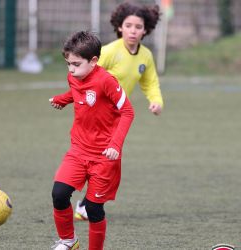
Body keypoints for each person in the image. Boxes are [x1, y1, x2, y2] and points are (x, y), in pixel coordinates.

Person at [75, 1, 164, 221]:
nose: (133, 30)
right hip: (97, 114)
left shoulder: (146, 56)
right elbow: (86, 74)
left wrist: (156, 100)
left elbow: (150, 82)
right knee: (102, 161)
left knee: (109, 163)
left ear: (146, 30)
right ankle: (84, 203)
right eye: (129, 25)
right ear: (120, 27)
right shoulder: (108, 52)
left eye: (138, 26)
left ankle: (86, 204)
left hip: (118, 117)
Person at [49, 31, 134, 250]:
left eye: (76, 64)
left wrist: (115, 145)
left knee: (94, 210)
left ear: (94, 61)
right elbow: (76, 93)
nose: (71, 70)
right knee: (59, 194)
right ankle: (68, 241)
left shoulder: (106, 81)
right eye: (68, 64)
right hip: (78, 150)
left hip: (104, 156)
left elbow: (127, 111)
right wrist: (62, 100)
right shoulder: (74, 76)